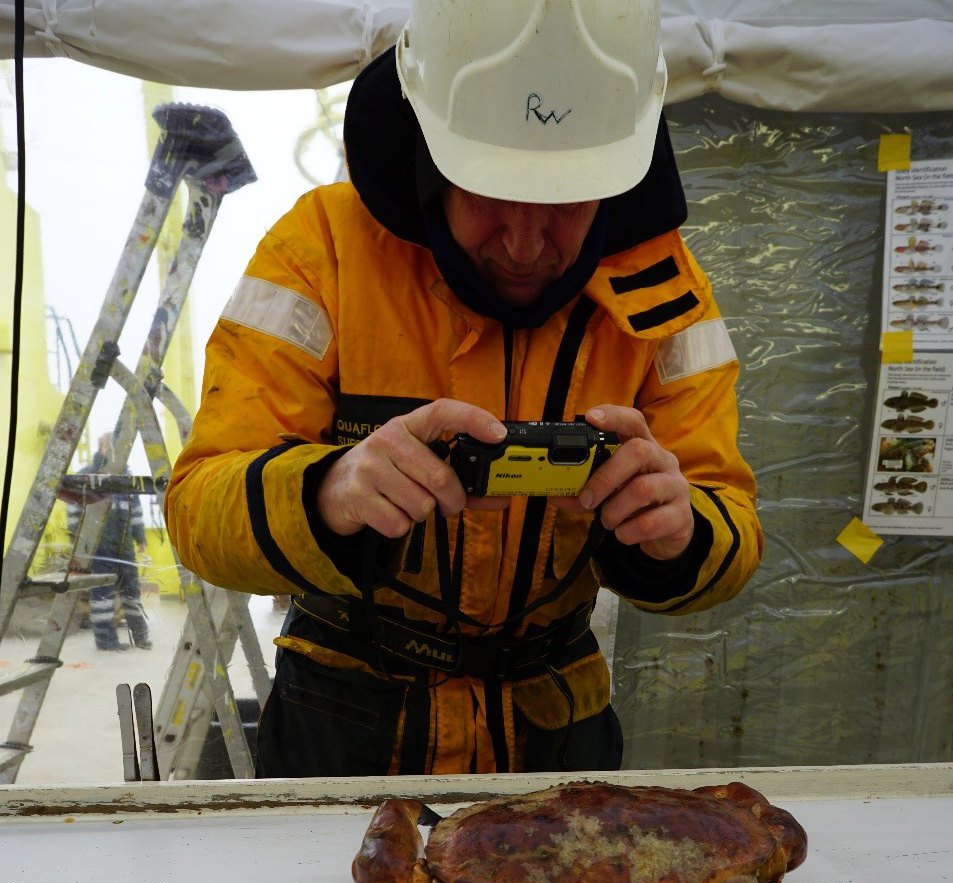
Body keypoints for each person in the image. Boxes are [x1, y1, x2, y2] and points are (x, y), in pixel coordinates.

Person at [165, 0, 763, 777]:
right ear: (427, 154)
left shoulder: (664, 291)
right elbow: (196, 511)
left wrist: (681, 536)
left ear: (618, 177)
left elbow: (730, 521)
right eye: (486, 193)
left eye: (563, 203)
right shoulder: (323, 250)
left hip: (558, 729)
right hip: (342, 717)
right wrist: (326, 491)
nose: (524, 245)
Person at [67, 433, 152, 652]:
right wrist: (79, 544)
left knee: (132, 591)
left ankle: (140, 636)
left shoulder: (127, 478)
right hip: (99, 547)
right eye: (109, 447)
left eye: (117, 449)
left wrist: (140, 538)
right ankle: (106, 641)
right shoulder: (86, 476)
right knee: (102, 594)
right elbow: (73, 514)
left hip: (124, 546)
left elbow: (136, 512)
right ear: (100, 449)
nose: (113, 453)